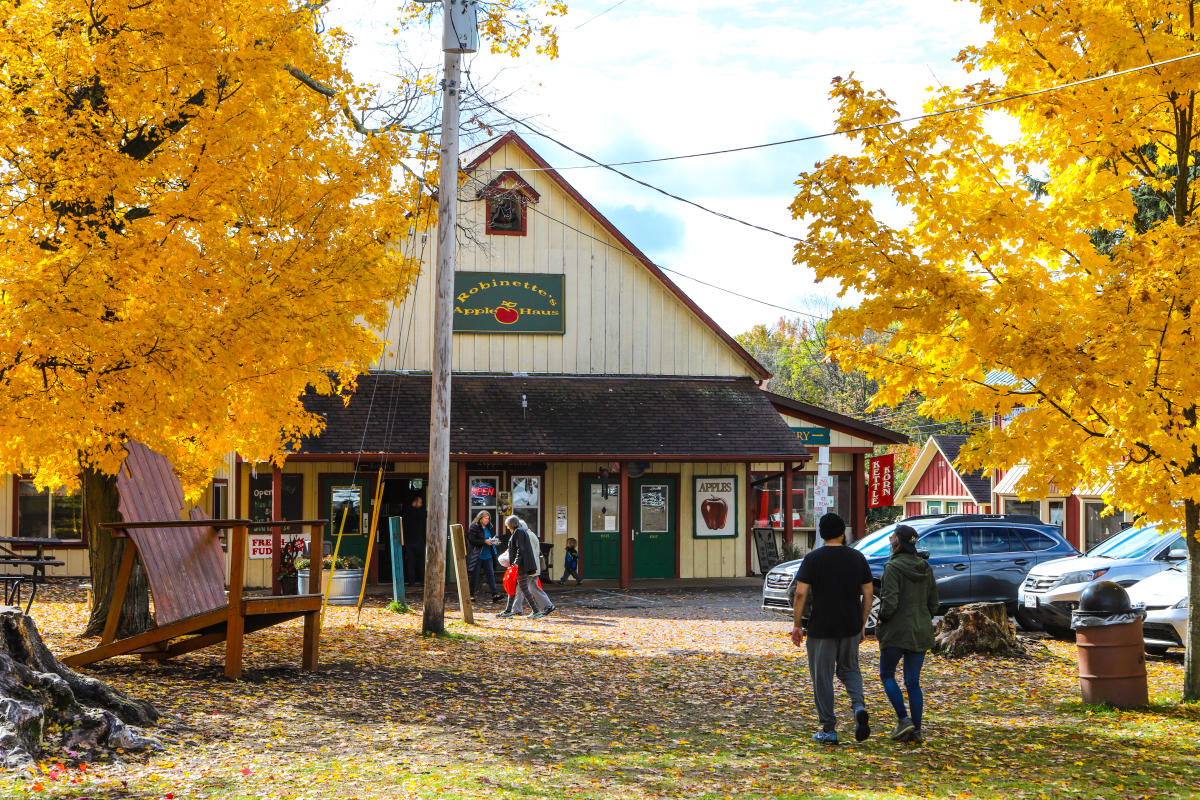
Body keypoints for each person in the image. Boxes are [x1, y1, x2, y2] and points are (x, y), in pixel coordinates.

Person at [791, 512, 874, 745]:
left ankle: (828, 728)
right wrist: (862, 622)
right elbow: (868, 593)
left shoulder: (813, 559)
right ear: (842, 533)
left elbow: (800, 593)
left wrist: (797, 624)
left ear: (821, 533)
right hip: (849, 625)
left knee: (822, 677)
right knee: (850, 669)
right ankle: (858, 706)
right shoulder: (857, 558)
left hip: (821, 626)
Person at [877, 524, 939, 744]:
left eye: (892, 536)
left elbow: (890, 602)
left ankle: (904, 720)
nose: (890, 539)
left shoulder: (892, 568)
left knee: (887, 674)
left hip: (895, 630)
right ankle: (917, 730)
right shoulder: (925, 567)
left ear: (898, 541)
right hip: (920, 630)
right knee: (913, 682)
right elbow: (934, 603)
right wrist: (923, 616)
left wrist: (882, 617)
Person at [503, 515, 554, 618]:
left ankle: (545, 607)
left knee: (528, 588)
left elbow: (522, 551)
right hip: (528, 566)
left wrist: (516, 562)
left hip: (527, 566)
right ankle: (514, 609)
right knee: (522, 587)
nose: (508, 528)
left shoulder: (523, 534)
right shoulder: (528, 534)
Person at [467, 510, 502, 603]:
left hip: (488, 555)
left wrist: (495, 541)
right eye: (485, 518)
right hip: (477, 555)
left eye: (488, 518)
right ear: (480, 518)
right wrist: (484, 541)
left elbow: (493, 537)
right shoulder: (474, 527)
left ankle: (494, 594)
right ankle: (471, 594)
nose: (487, 520)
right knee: (475, 575)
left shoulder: (489, 527)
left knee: (491, 574)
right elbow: (471, 540)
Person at [401, 495, 426, 585]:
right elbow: (425, 516)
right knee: (421, 561)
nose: (421, 504)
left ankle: (411, 581)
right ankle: (423, 580)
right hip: (418, 539)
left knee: (410, 562)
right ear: (415, 502)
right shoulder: (419, 512)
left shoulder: (406, 512)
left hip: (408, 540)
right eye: (420, 502)